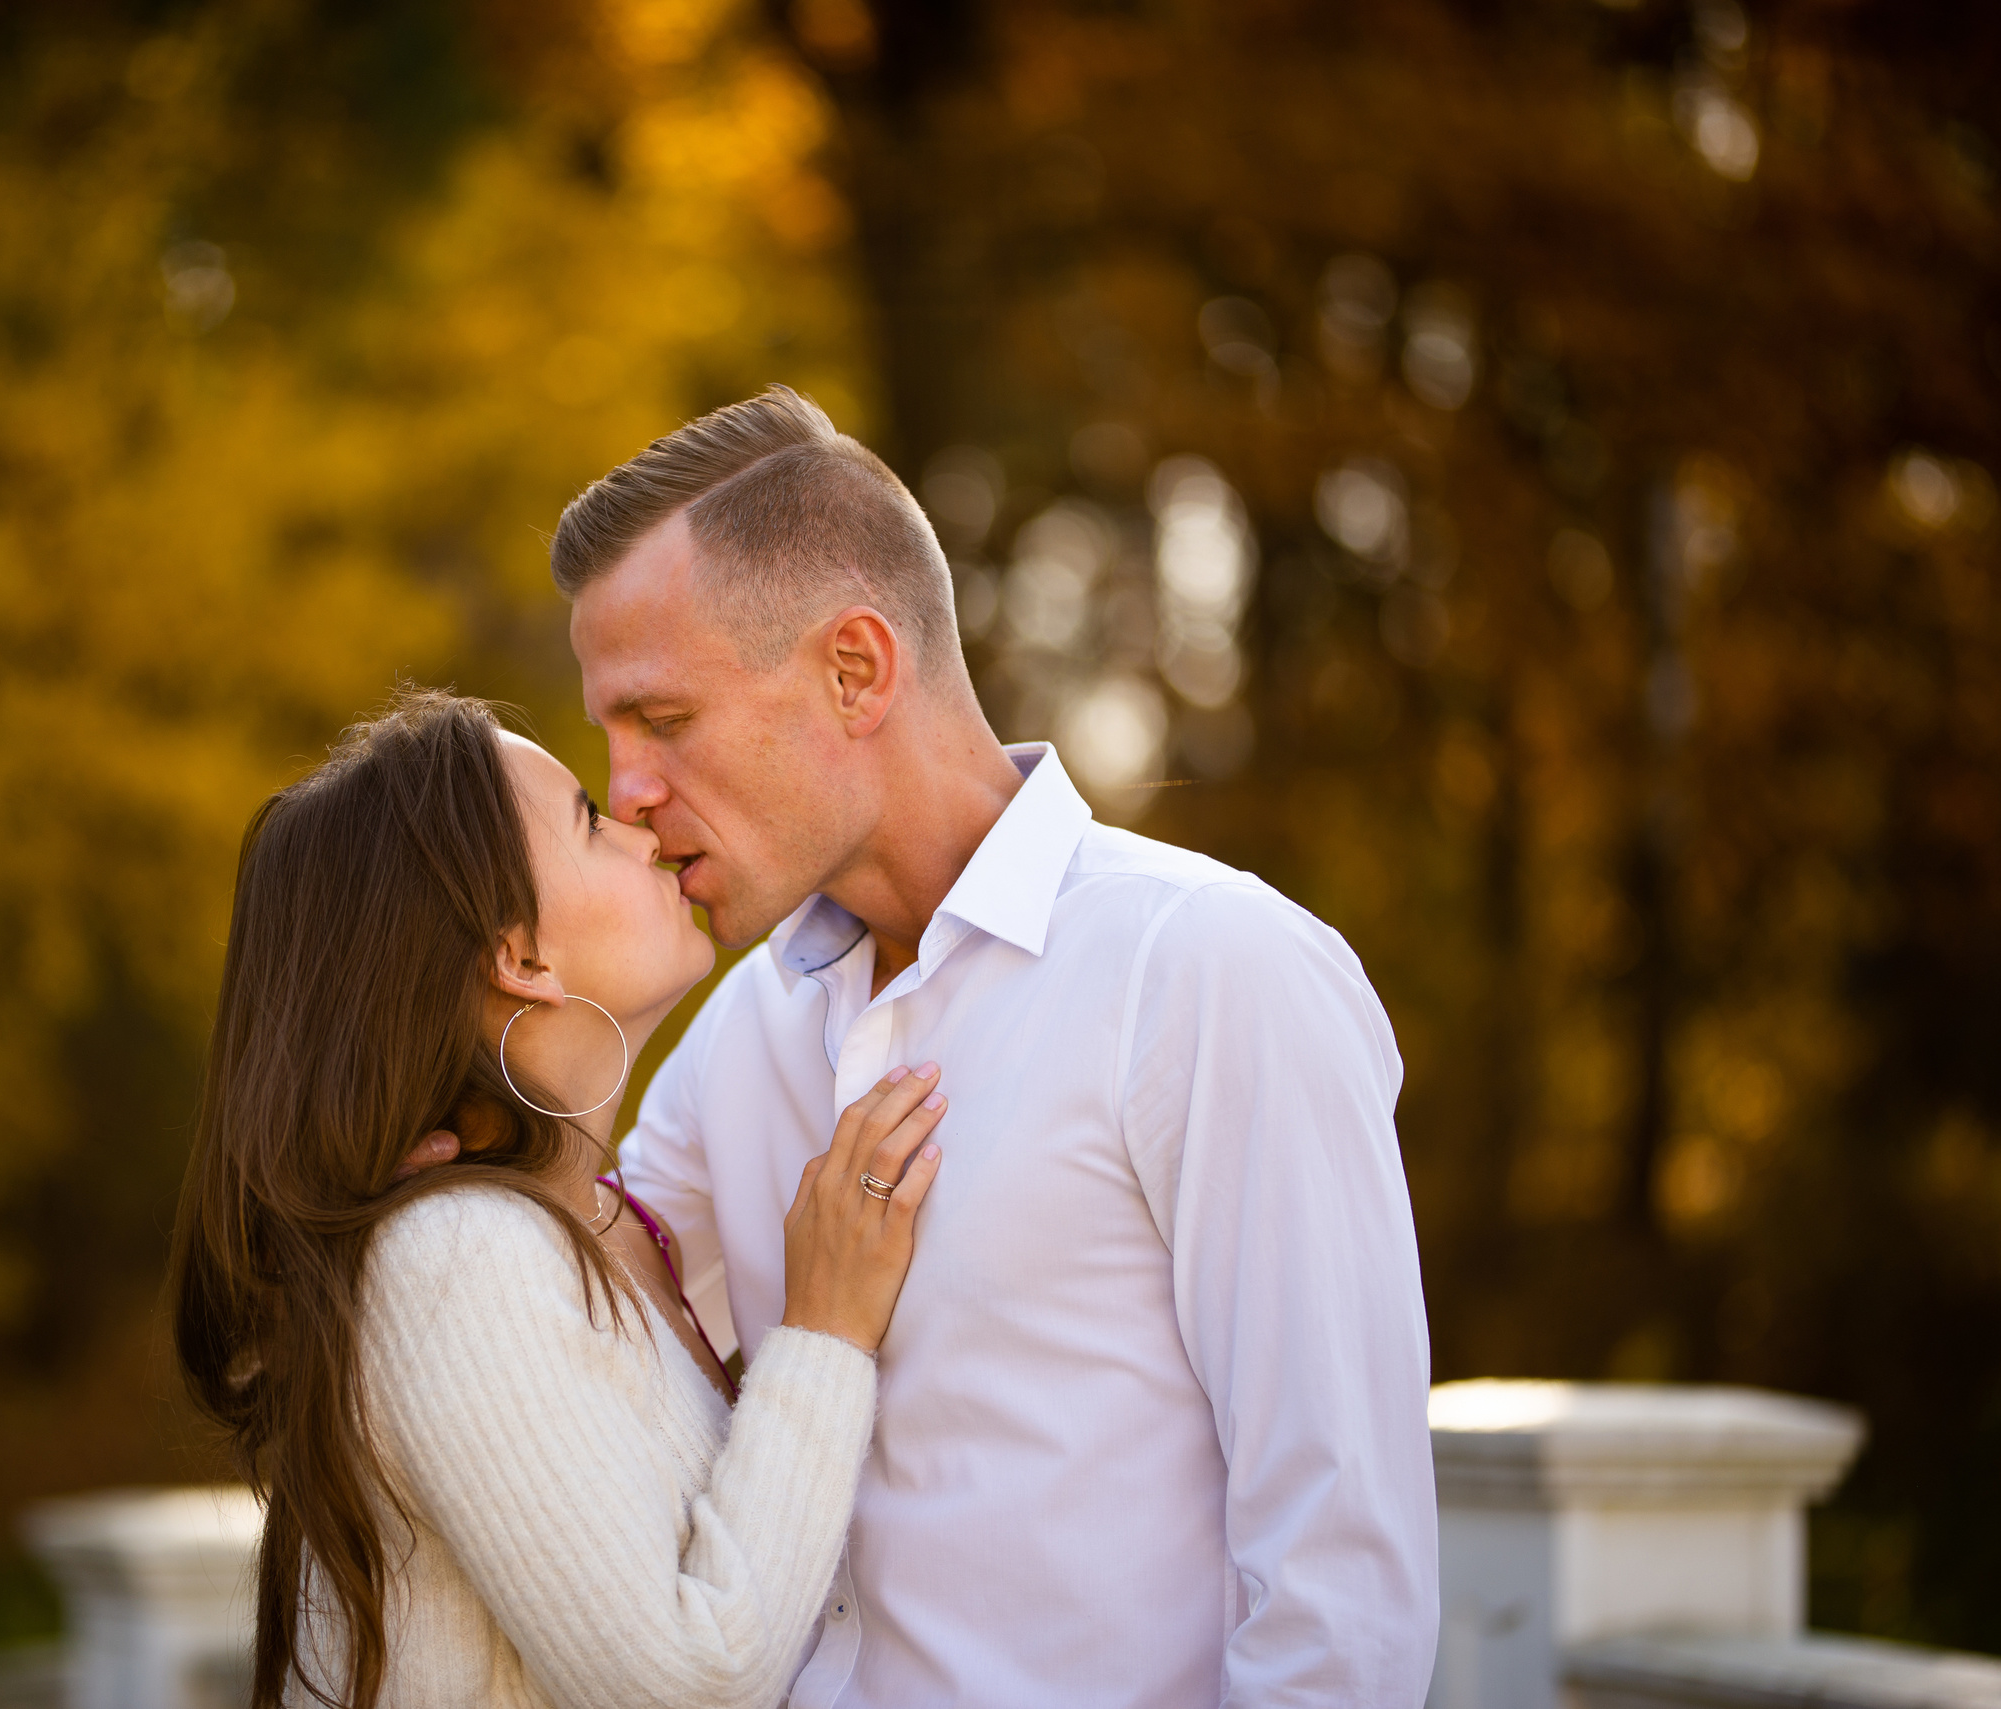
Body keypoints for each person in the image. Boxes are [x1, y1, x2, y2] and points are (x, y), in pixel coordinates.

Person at [550, 387, 1439, 1704]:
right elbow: (573, 1321)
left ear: (855, 668)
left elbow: (1341, 1594)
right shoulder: (742, 1028)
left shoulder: (1206, 973)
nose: (623, 788)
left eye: (662, 720)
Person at [168, 689, 950, 1709]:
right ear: (520, 957)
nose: (636, 828)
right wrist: (825, 1330)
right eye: (586, 817)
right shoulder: (456, 1254)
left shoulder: (587, 1219)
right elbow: (688, 1678)